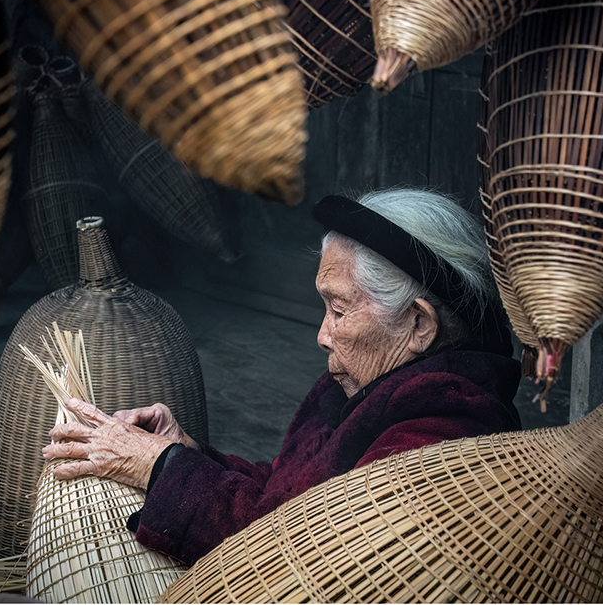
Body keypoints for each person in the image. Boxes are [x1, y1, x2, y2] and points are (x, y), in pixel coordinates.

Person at [42, 187, 523, 565]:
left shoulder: (446, 431)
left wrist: (161, 467)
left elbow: (299, 555)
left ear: (419, 324)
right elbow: (285, 489)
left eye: (338, 310)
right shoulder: (370, 389)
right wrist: (190, 452)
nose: (321, 335)